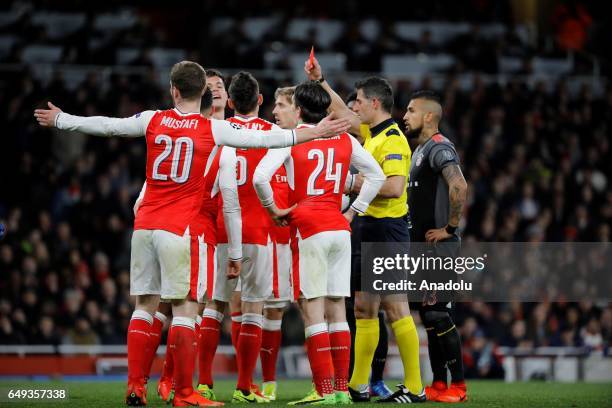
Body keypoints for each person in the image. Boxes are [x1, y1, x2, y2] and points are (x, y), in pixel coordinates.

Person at [34, 60, 351, 407]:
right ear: (203, 94)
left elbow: (109, 126)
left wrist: (63, 119)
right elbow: (268, 137)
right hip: (181, 229)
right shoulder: (210, 130)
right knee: (186, 310)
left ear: (173, 90)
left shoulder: (152, 119)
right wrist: (316, 131)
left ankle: (135, 386)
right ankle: (185, 391)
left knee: (144, 307)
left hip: (145, 227)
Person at [253, 81, 386, 405]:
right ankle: (341, 389)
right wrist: (354, 210)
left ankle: (324, 391)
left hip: (308, 227)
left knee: (313, 312)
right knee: (338, 310)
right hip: (339, 228)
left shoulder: (293, 139)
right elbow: (377, 176)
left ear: (299, 110)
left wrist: (273, 210)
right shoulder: (344, 139)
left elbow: (259, 178)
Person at [306, 58, 425, 403]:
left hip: (388, 230)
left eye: (358, 100)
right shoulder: (373, 134)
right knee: (362, 309)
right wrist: (322, 81)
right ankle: (358, 384)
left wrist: (347, 182)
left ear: (374, 103)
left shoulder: (393, 140)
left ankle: (415, 386)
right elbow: (342, 112)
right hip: (368, 228)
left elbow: (393, 188)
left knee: (396, 309)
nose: (353, 105)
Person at [199, 71, 281, 403]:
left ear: (230, 103)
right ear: (260, 100)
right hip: (259, 230)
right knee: (252, 310)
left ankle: (203, 383)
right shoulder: (275, 134)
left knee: (213, 307)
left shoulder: (217, 131)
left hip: (222, 228)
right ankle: (245, 386)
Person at [403, 90, 468, 403]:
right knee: (429, 317)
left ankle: (459, 385)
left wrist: (450, 229)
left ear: (428, 116)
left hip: (438, 251)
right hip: (421, 250)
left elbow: (459, 184)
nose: (405, 116)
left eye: (411, 110)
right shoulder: (420, 150)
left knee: (440, 315)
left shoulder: (440, 147)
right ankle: (439, 384)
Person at [344, 91, 392, 398]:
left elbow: (390, 187)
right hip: (345, 234)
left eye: (354, 109)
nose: (349, 117)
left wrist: (349, 183)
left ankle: (375, 378)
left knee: (378, 310)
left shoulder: (370, 145)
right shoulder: (338, 148)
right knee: (350, 310)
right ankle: (351, 378)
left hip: (373, 230)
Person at [259, 86, 301, 401]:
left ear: (298, 110)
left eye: (282, 105)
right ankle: (263, 383)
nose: (275, 111)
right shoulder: (269, 139)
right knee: (263, 310)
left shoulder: (306, 141)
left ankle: (330, 386)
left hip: (297, 239)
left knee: (322, 311)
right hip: (271, 238)